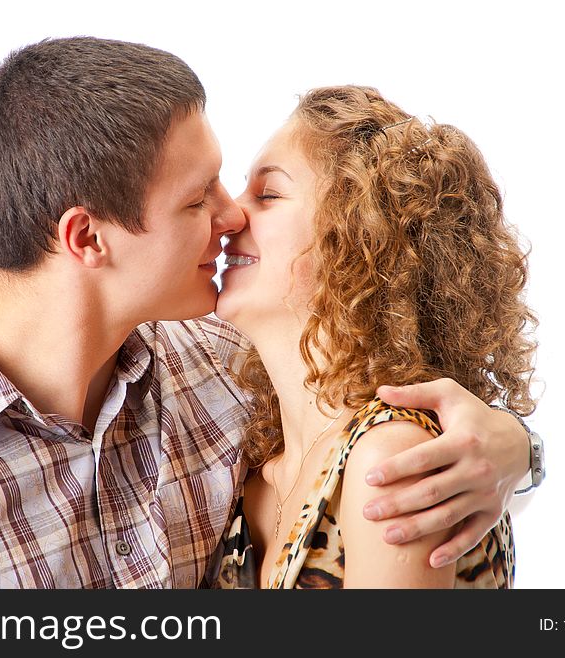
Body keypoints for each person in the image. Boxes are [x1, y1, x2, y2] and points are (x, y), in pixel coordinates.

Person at [0, 39, 539, 588]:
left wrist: (515, 449)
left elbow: (376, 423)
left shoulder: (222, 369)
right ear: (87, 237)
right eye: (196, 197)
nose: (231, 215)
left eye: (246, 190)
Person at [210, 86, 537, 588]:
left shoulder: (390, 458)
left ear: (360, 235)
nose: (230, 216)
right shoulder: (255, 471)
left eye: (268, 194)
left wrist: (525, 450)